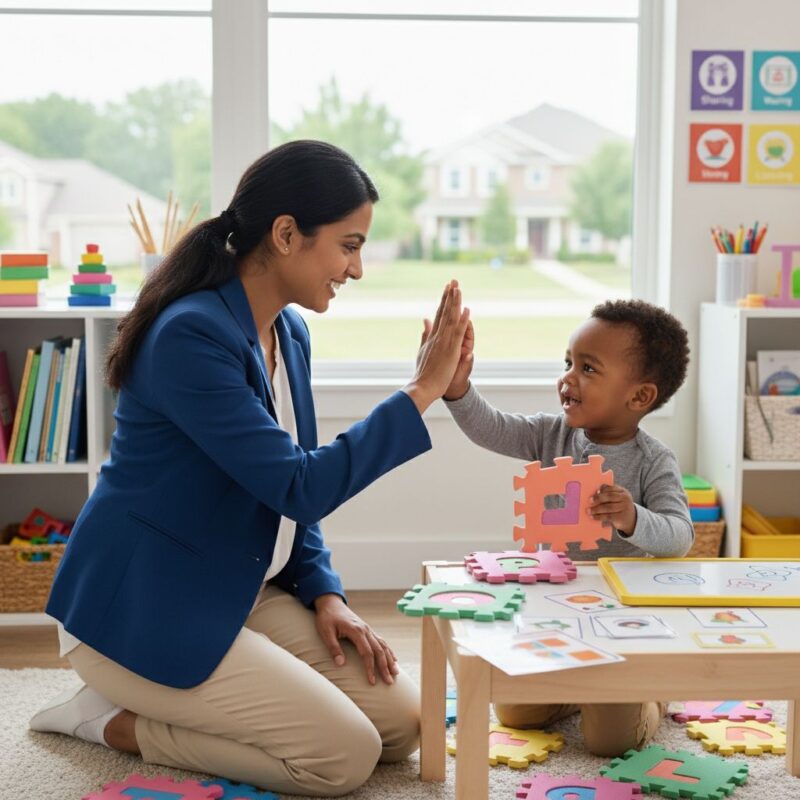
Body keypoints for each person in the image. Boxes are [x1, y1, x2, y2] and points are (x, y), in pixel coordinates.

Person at [29, 140, 470, 797]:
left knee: (406, 726)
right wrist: (420, 392)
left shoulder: (288, 334)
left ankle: (190, 696)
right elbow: (300, 481)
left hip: (237, 588)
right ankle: (114, 723)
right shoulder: (190, 336)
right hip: (143, 608)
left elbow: (292, 486)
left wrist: (323, 593)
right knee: (342, 758)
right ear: (287, 235)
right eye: (348, 245)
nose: (356, 269)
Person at [440, 298, 693, 757]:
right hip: (555, 612)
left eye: (589, 369)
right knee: (513, 712)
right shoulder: (550, 434)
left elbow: (680, 535)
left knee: (609, 741)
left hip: (623, 623)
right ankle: (579, 690)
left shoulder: (654, 460)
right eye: (568, 363)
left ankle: (653, 694)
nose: (568, 378)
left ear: (639, 397)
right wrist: (458, 389)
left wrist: (632, 516)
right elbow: (490, 428)